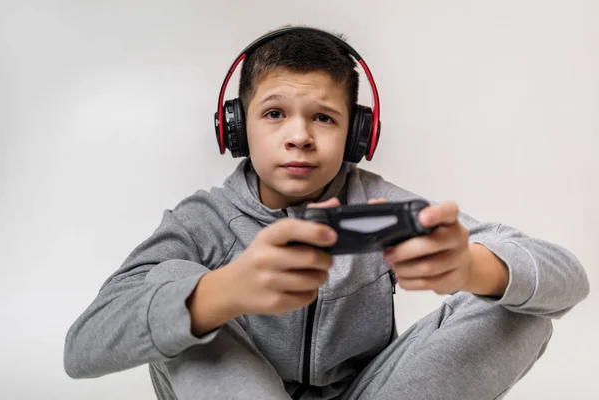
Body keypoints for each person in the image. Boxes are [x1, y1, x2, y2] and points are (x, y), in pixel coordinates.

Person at [64, 26, 590, 400]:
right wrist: (222, 293)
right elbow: (82, 348)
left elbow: (571, 278)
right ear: (236, 127)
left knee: (520, 307)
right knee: (177, 293)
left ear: (357, 134)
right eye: (274, 114)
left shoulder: (378, 209)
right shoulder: (201, 221)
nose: (299, 135)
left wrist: (473, 268)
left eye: (323, 117)